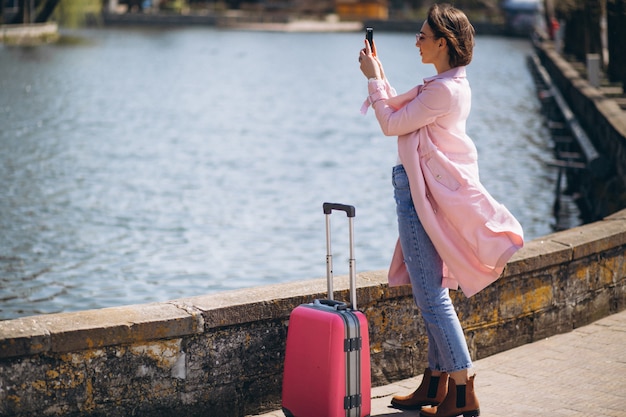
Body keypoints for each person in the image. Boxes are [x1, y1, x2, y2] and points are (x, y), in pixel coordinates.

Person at [358, 3, 524, 417]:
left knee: (431, 296)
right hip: (426, 194)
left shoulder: (444, 90)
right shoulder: (448, 85)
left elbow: (391, 124)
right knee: (433, 290)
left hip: (421, 197)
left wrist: (374, 82)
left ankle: (463, 388)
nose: (416, 41)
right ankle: (435, 382)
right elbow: (406, 113)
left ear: (443, 43)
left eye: (422, 36)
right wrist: (380, 77)